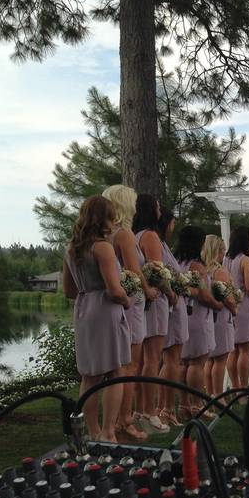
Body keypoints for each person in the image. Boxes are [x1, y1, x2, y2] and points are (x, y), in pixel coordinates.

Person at [62, 196, 131, 443]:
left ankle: (92, 432)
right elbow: (114, 289)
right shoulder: (103, 247)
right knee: (115, 372)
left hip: (83, 309)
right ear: (105, 218)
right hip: (105, 310)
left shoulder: (71, 248)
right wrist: (127, 300)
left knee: (89, 376)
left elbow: (68, 291)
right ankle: (109, 432)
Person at [102, 185, 149, 442]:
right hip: (132, 303)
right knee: (131, 366)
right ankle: (125, 420)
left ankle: (115, 419)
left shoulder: (105, 234)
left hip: (118, 305)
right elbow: (134, 270)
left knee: (119, 366)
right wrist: (150, 290)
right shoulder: (124, 235)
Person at [133, 194, 177, 434]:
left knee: (142, 361)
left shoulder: (136, 235)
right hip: (156, 303)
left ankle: (140, 409)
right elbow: (157, 272)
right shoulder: (150, 236)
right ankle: (149, 411)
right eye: (158, 206)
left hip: (146, 304)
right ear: (151, 210)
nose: (160, 210)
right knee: (152, 359)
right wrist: (171, 293)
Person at [175, 225, 222, 414]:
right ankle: (196, 404)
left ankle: (184, 404)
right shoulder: (196, 265)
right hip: (199, 315)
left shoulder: (178, 262)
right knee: (197, 363)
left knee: (184, 362)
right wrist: (217, 304)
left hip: (184, 315)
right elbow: (203, 294)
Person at [158, 209, 187, 426]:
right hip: (171, 305)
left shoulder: (164, 245)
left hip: (174, 303)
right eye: (173, 222)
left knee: (171, 360)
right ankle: (166, 407)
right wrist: (174, 294)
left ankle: (164, 406)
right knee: (172, 360)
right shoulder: (157, 244)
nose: (174, 227)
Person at [204, 235, 237, 401]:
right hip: (222, 317)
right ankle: (219, 395)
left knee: (210, 359)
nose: (224, 253)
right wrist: (235, 308)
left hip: (210, 317)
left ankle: (210, 393)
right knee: (220, 359)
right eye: (223, 250)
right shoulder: (220, 272)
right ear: (218, 251)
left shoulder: (205, 270)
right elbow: (227, 297)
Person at [229, 225, 249, 389]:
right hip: (245, 304)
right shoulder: (245, 260)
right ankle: (242, 386)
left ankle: (234, 387)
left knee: (233, 349)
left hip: (232, 304)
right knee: (245, 350)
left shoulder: (228, 259)